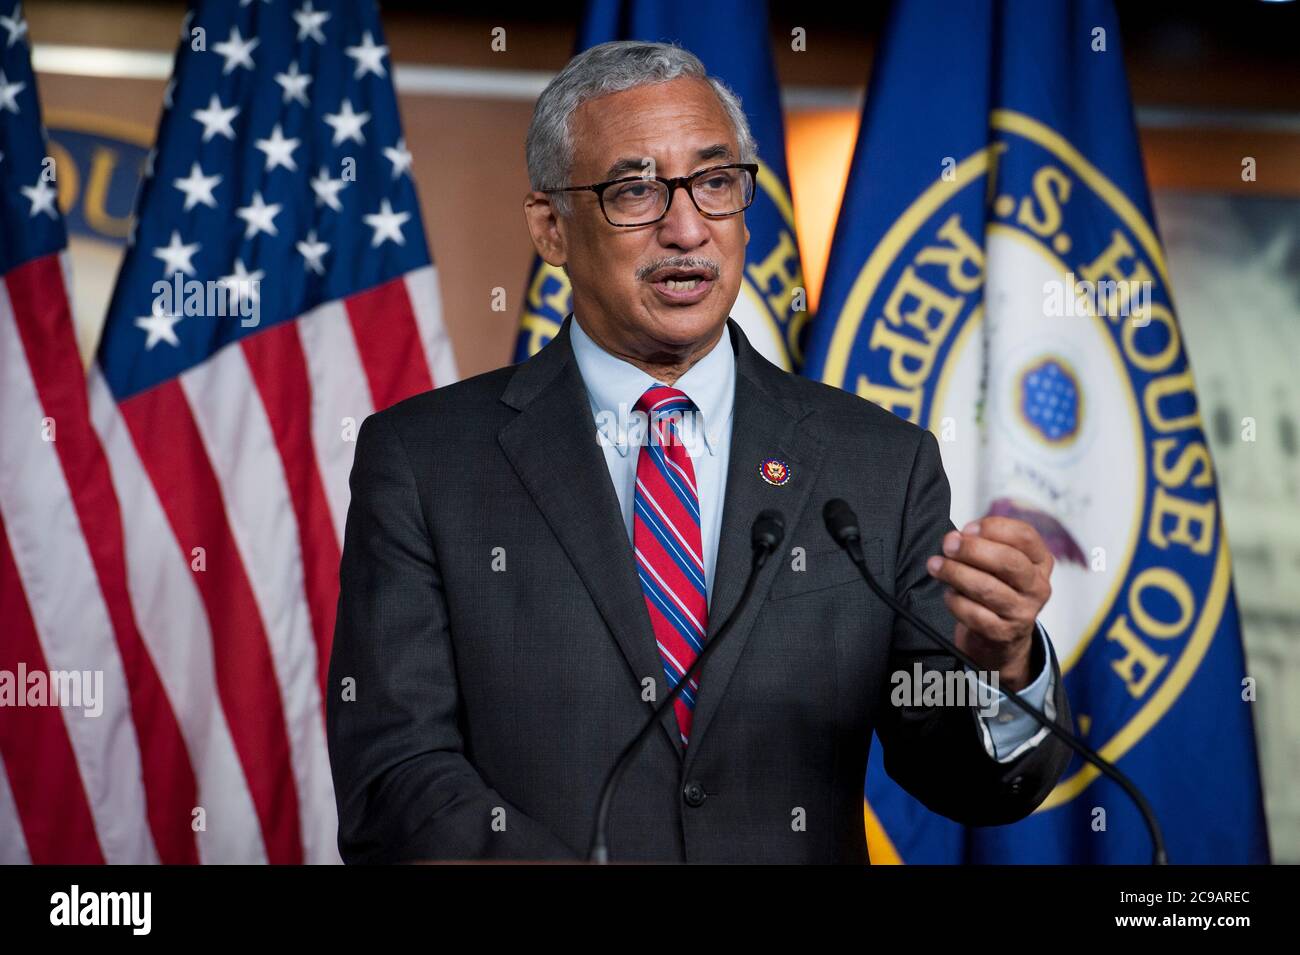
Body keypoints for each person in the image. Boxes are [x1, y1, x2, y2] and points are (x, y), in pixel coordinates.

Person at [326, 40, 1072, 863]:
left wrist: (1002, 664)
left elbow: (962, 779)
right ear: (550, 228)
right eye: (636, 190)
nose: (687, 229)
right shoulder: (424, 460)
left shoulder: (879, 465)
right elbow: (395, 775)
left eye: (716, 183)